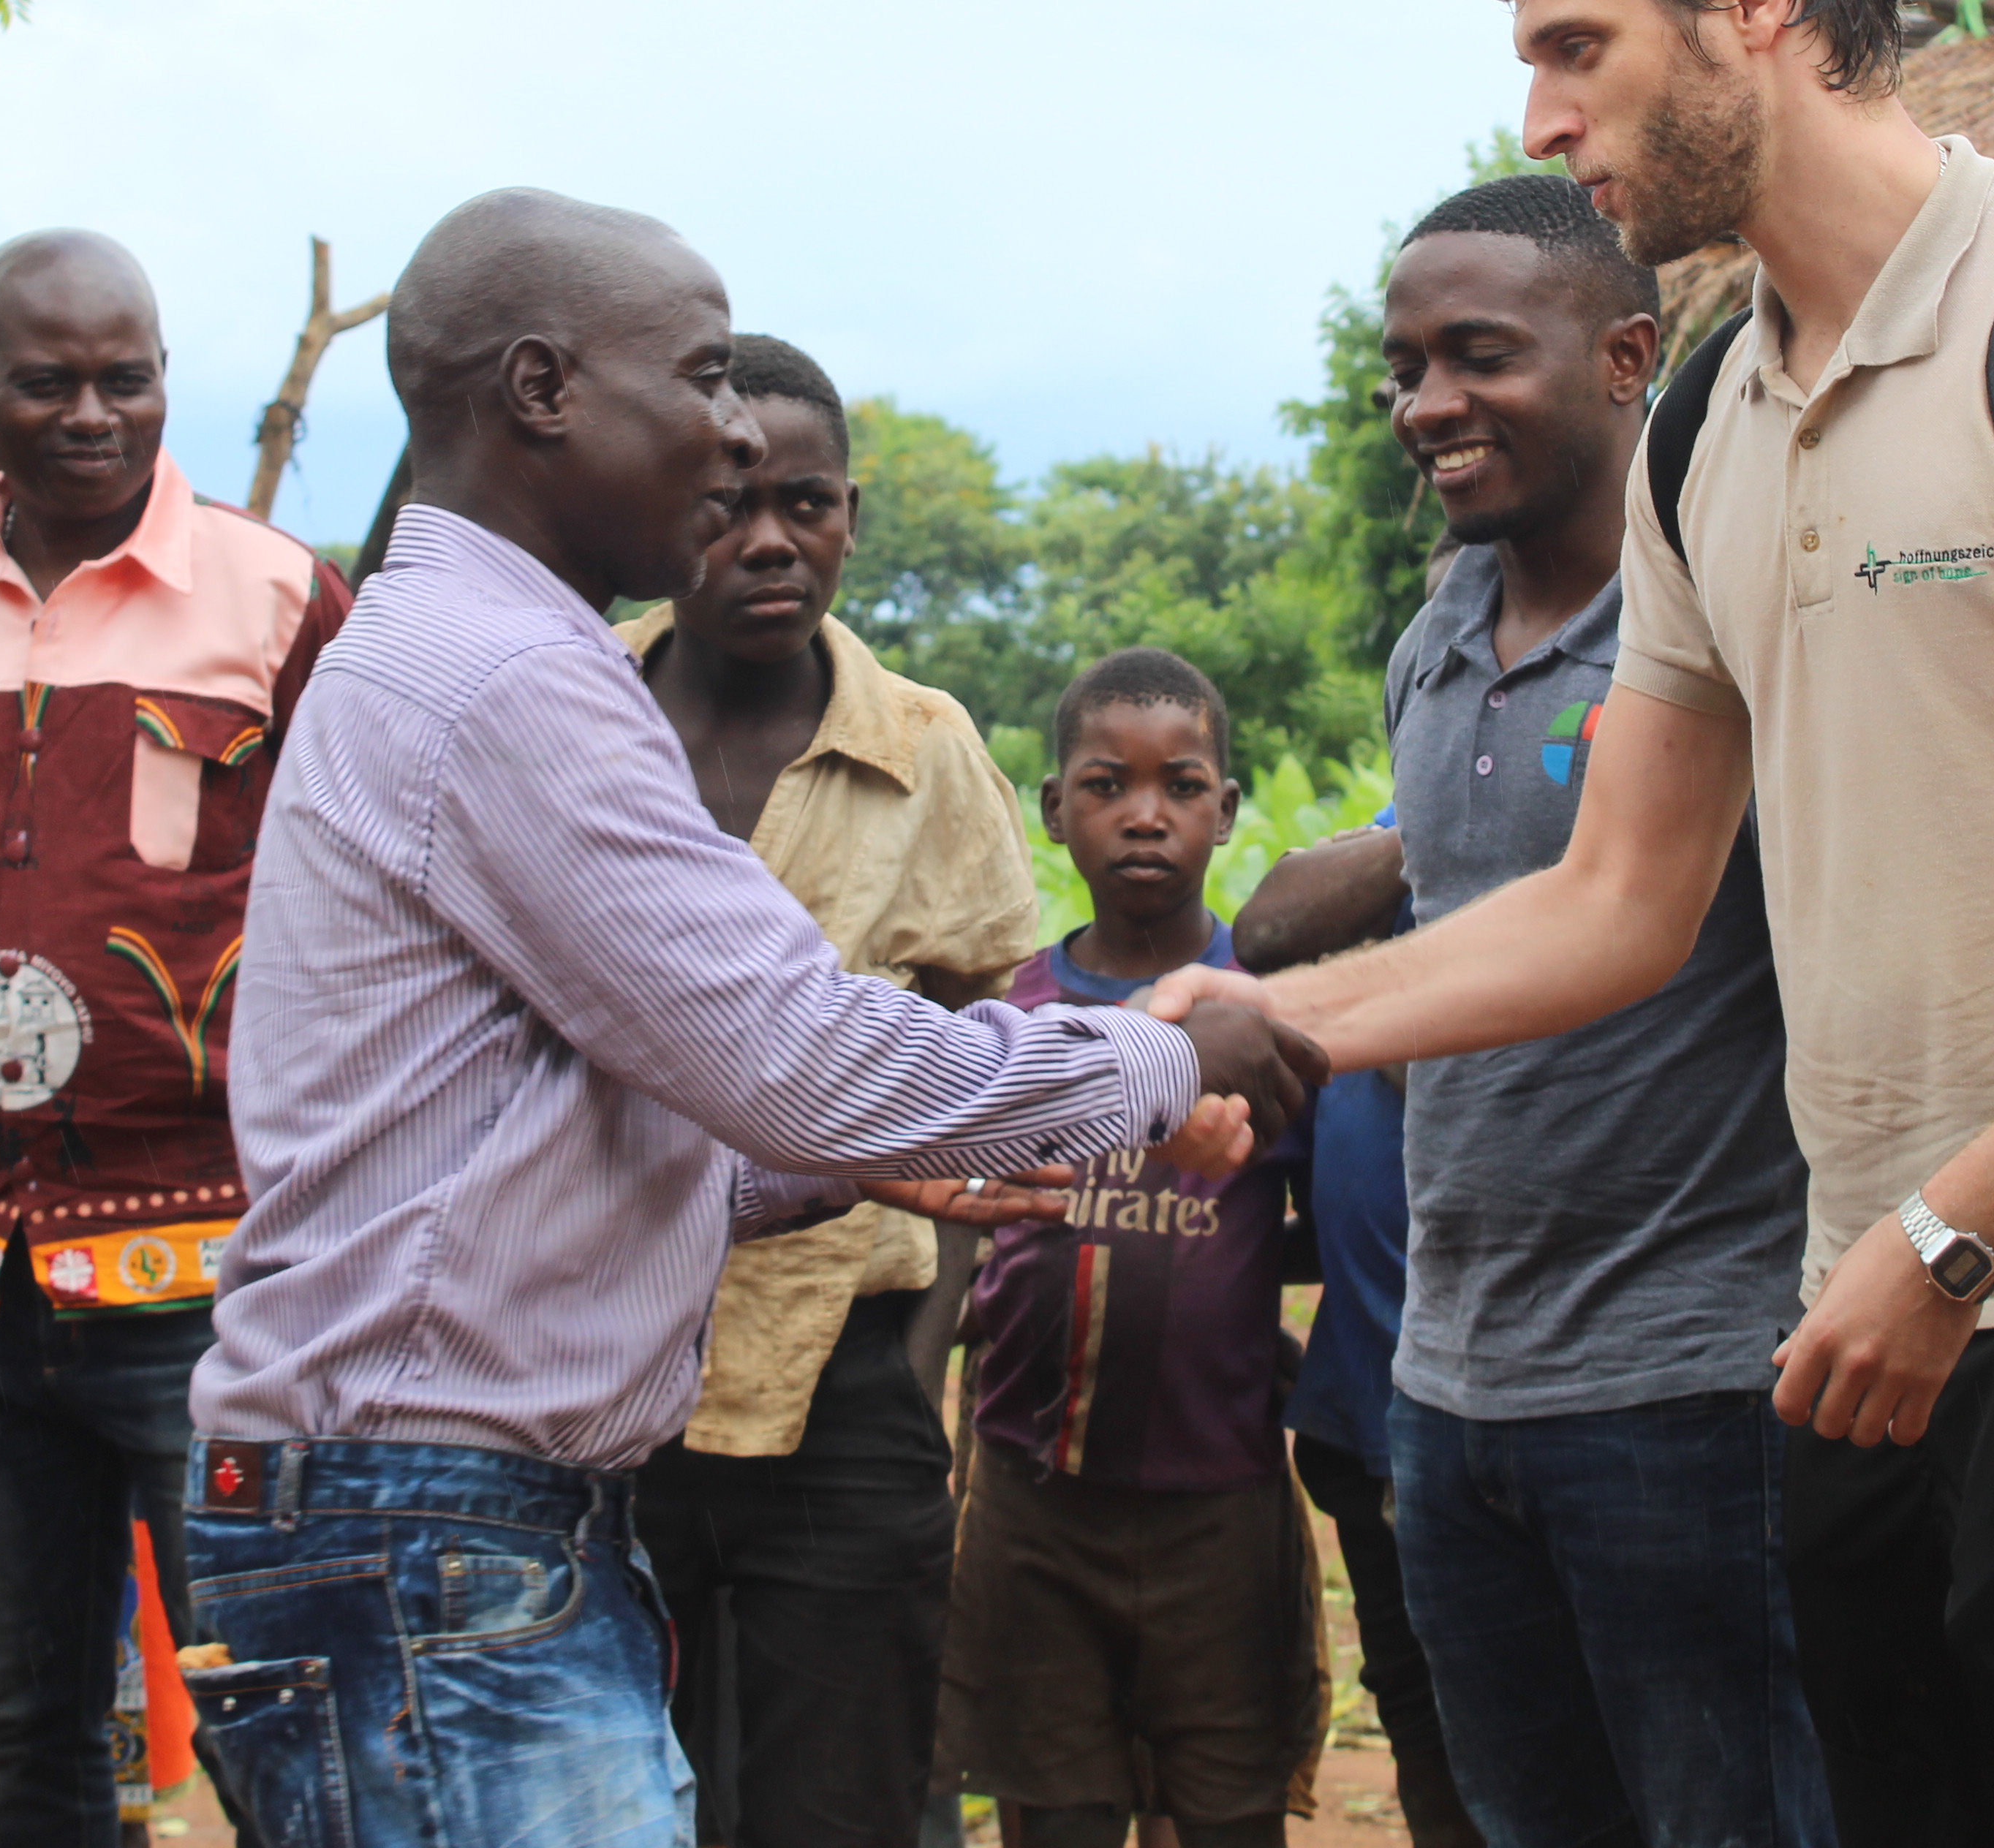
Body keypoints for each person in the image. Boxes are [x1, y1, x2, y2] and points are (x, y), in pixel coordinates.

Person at [1157, 0, 1994, 1847]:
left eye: (1574, 46)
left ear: (1754, 0)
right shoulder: (1708, 416)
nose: (1538, 122)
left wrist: (1962, 1230)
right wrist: (1269, 1024)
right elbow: (1619, 903)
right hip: (1856, 1341)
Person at [181, 188, 1321, 1847]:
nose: (729, 437)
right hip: (429, 1513)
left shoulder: (446, 652)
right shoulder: (514, 680)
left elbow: (533, 1131)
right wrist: (1166, 1047)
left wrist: (841, 1174)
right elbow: (796, 1050)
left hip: (430, 1504)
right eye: (702, 377)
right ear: (543, 388)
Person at [1250, 170, 1820, 1845]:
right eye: (1406, 363)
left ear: (1627, 350)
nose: (1428, 403)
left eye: (1478, 355)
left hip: (1693, 1385)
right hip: (1450, 1389)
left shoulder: (1718, 618)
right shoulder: (1437, 633)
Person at [0, 234, 350, 1848]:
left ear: (162, 381)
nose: (89, 413)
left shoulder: (280, 601)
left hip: (212, 1276)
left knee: (269, 1721)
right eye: (47, 383)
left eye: (122, 379)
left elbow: (359, 910)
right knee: (19, 1739)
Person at [614, 336, 1046, 1848]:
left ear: (852, 512)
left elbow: (989, 1071)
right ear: (664, 513)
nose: (769, 541)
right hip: (596, 1385)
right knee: (627, 1797)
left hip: (848, 1382)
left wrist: (920, 1345)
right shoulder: (576, 721)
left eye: (806, 502)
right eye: (726, 506)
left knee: (839, 1804)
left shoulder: (925, 752)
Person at [940, 650, 1321, 1848]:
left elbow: (1320, 1218)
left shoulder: (1272, 1020)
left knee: (1224, 1810)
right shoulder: (1010, 1014)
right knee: (1050, 1809)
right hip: (1029, 1496)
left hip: (1220, 1497)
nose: (1144, 813)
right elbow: (955, 1220)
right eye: (1106, 783)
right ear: (1055, 810)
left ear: (1225, 806)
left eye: (1180, 783)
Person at [1237, 841, 1473, 1848]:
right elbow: (1266, 929)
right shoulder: (1406, 846)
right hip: (1374, 1405)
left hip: (1526, 1401)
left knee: (1555, 1726)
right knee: (1425, 1713)